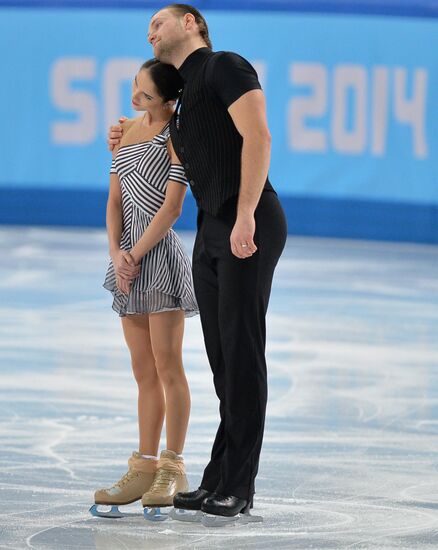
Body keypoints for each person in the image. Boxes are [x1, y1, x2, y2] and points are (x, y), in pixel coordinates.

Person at [108, 4, 287, 520]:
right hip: (211, 228)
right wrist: (122, 135)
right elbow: (153, 143)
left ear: (191, 23)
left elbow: (259, 136)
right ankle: (216, 478)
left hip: (246, 220)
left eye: (158, 21)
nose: (150, 30)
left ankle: (240, 487)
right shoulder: (180, 100)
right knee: (222, 360)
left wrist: (246, 215)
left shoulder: (225, 66)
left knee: (242, 352)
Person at [92, 58, 198, 519]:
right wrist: (118, 252)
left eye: (146, 94)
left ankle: (172, 466)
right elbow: (114, 199)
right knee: (142, 371)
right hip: (127, 261)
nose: (135, 98)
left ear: (168, 100)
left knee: (168, 365)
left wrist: (136, 253)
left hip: (158, 258)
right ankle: (143, 463)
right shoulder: (123, 133)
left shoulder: (177, 135)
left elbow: (173, 208)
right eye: (135, 87)